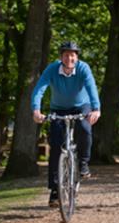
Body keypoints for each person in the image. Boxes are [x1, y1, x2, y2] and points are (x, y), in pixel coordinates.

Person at [31, 41, 101, 207]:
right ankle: (55, 191)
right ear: (61, 56)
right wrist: (36, 110)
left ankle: (83, 163)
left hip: (81, 106)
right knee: (56, 146)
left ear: (77, 57)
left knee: (84, 128)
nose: (69, 58)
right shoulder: (52, 69)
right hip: (58, 108)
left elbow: (92, 88)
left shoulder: (83, 68)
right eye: (66, 54)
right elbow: (39, 89)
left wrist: (96, 109)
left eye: (73, 54)